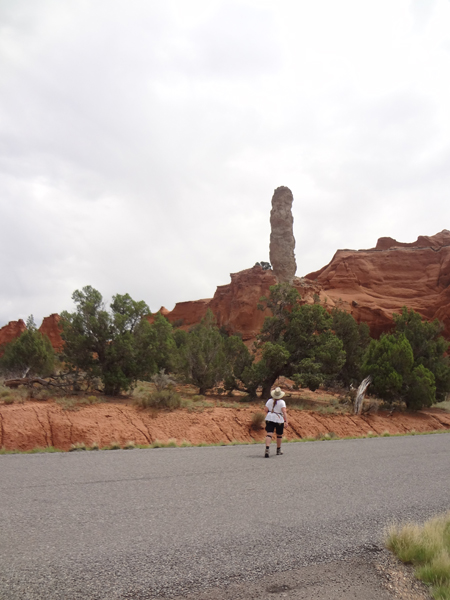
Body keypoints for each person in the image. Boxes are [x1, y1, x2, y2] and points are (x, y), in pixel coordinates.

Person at [264, 387, 288, 458]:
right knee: (279, 435)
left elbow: (265, 410)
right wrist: (286, 421)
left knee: (269, 434)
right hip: (279, 419)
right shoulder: (282, 402)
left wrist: (270, 413)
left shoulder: (269, 401)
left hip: (269, 418)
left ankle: (267, 449)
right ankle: (278, 450)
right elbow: (284, 412)